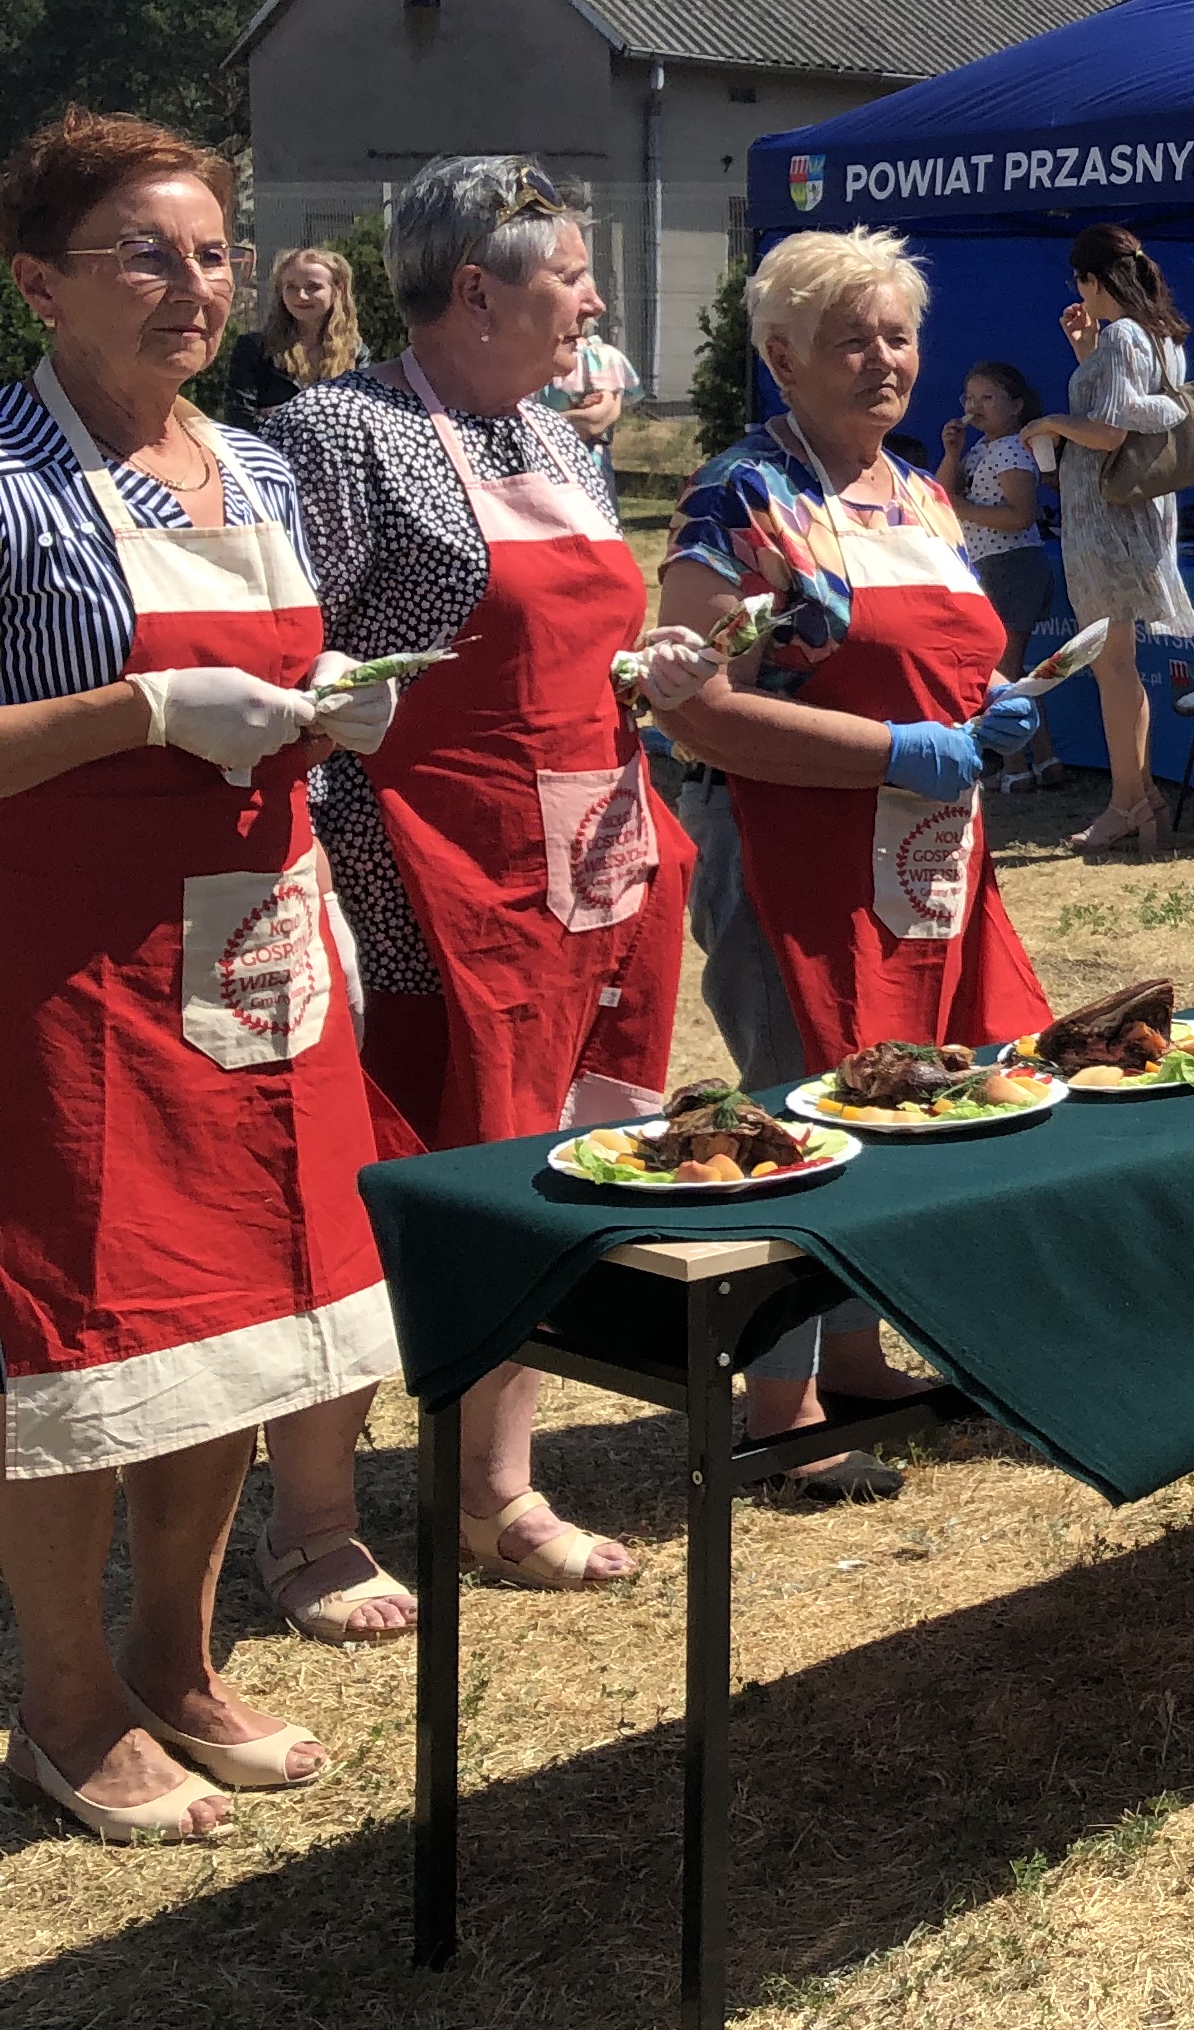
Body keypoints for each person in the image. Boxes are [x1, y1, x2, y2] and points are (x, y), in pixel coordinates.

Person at [0, 108, 407, 1840]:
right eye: (145, 254)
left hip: (256, 950)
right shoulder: (9, 486)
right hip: (65, 970)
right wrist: (144, 707)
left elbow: (284, 692)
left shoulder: (259, 468)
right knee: (86, 1344)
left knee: (235, 1315)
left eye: (215, 252)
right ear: (40, 283)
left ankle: (173, 1655)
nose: (195, 283)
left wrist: (332, 714)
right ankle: (64, 1701)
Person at [259, 156, 715, 1619]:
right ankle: (314, 1521)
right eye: (571, 275)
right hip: (411, 880)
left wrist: (647, 672)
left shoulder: (555, 440)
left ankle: (493, 1488)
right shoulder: (341, 431)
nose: (594, 303)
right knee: (378, 1186)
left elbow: (569, 646)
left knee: (545, 1170)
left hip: (585, 868)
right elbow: (293, 662)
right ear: (476, 290)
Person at [655, 229, 1048, 1495]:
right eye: (849, 340)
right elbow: (693, 703)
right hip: (792, 849)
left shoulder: (921, 493)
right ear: (781, 357)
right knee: (799, 1102)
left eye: (898, 335)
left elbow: (947, 654)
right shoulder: (739, 497)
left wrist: (997, 703)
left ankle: (858, 1353)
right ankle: (778, 1406)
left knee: (905, 1090)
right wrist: (894, 747)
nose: (883, 360)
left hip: (925, 846)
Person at [1019, 224, 1194, 861]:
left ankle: (1128, 803)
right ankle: (1140, 797)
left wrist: (1050, 421)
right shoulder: (1157, 335)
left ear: (1091, 279)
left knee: (1111, 665)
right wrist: (1084, 356)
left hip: (1106, 516)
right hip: (1132, 510)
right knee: (1116, 664)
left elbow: (1110, 431)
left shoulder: (1124, 335)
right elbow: (1128, 409)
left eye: (1080, 281)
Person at [939, 360, 1057, 791]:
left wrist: (961, 508)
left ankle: (1016, 768)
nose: (976, 406)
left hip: (1011, 565)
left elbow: (1020, 515)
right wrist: (952, 452)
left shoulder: (1011, 448)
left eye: (988, 397)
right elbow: (942, 495)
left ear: (1016, 405)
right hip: (989, 566)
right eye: (970, 397)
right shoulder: (980, 449)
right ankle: (1046, 760)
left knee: (1002, 671)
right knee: (1013, 669)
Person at [218, 243, 360, 429]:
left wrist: (278, 413)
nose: (301, 296)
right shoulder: (255, 348)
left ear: (337, 290)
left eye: (313, 287)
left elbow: (359, 418)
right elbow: (240, 420)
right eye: (291, 287)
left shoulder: (356, 352)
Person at [539, 326, 641, 450]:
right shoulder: (529, 360)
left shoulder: (601, 356)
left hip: (585, 456)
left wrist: (536, 424)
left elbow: (594, 419)